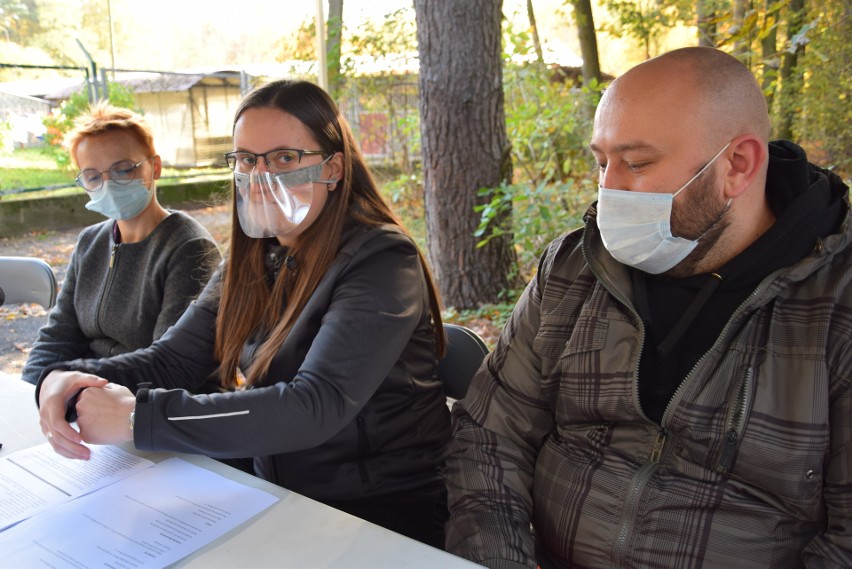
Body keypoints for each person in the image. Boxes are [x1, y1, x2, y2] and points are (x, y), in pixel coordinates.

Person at [445, 46, 851, 568]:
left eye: (637, 163)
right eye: (601, 163)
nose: (608, 190)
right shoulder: (574, 270)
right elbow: (488, 435)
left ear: (737, 165)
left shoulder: (832, 304)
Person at [35, 79, 452, 548]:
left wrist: (140, 418)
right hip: (275, 491)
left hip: (380, 514)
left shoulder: (381, 259)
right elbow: (173, 359)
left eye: (284, 158)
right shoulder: (255, 256)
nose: (261, 175)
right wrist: (66, 377)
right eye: (247, 159)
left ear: (333, 167)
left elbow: (314, 405)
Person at [21, 103, 221, 386]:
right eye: (93, 176)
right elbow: (59, 336)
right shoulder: (90, 243)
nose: (108, 185)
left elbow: (168, 365)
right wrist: (31, 391)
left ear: (156, 167)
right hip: (86, 392)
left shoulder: (189, 248)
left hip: (148, 405)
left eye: (123, 170)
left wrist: (69, 387)